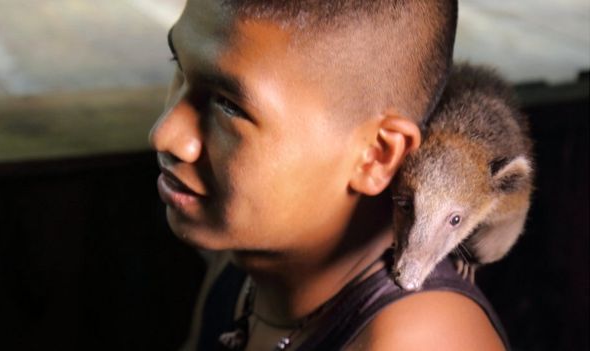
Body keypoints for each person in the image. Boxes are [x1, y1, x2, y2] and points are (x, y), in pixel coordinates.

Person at [149, 0, 508, 349]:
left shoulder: (417, 343)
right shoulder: (243, 261)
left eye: (230, 106)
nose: (164, 134)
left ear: (375, 156)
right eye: (177, 64)